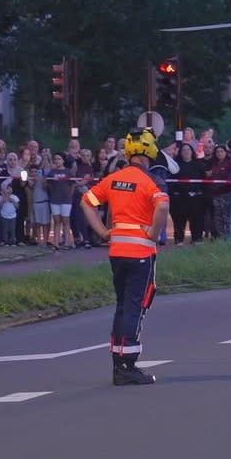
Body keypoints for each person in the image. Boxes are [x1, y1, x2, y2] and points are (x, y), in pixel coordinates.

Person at [78, 128, 172, 386]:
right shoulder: (150, 180)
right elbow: (163, 205)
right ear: (150, 150)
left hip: (117, 252)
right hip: (141, 252)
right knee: (135, 307)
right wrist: (154, 232)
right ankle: (127, 365)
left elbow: (87, 202)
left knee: (121, 306)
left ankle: (118, 363)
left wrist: (102, 232)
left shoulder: (115, 178)